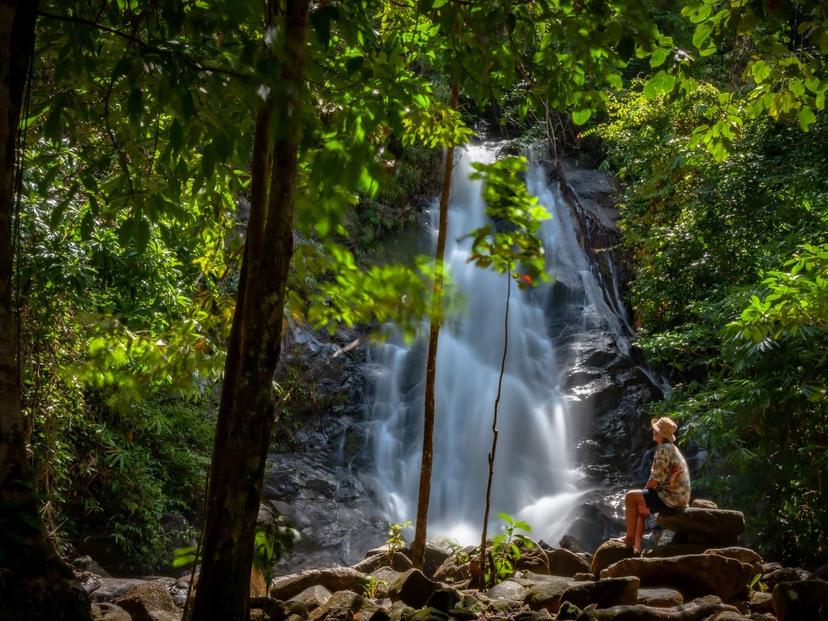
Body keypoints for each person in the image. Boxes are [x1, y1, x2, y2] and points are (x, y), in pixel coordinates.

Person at [619, 416, 691, 551]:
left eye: (655, 430)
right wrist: (644, 497)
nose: (653, 431)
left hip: (671, 499)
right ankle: (636, 547)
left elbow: (657, 478)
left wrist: (644, 494)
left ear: (659, 433)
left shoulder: (663, 449)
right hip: (679, 498)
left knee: (631, 497)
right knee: (638, 510)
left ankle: (628, 539)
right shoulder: (672, 448)